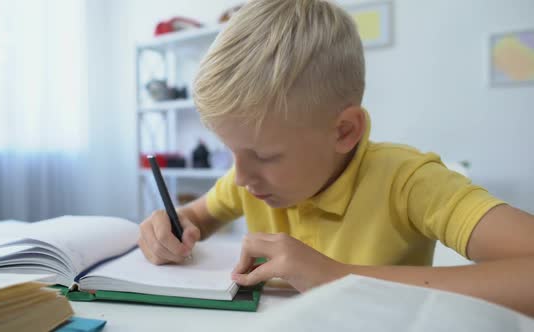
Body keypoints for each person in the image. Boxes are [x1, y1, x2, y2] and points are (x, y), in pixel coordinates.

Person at [138, 0, 534, 316]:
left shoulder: (408, 181)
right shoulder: (251, 179)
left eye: (264, 154)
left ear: (344, 131)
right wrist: (173, 229)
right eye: (231, 151)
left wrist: (339, 277)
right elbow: (197, 219)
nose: (240, 176)